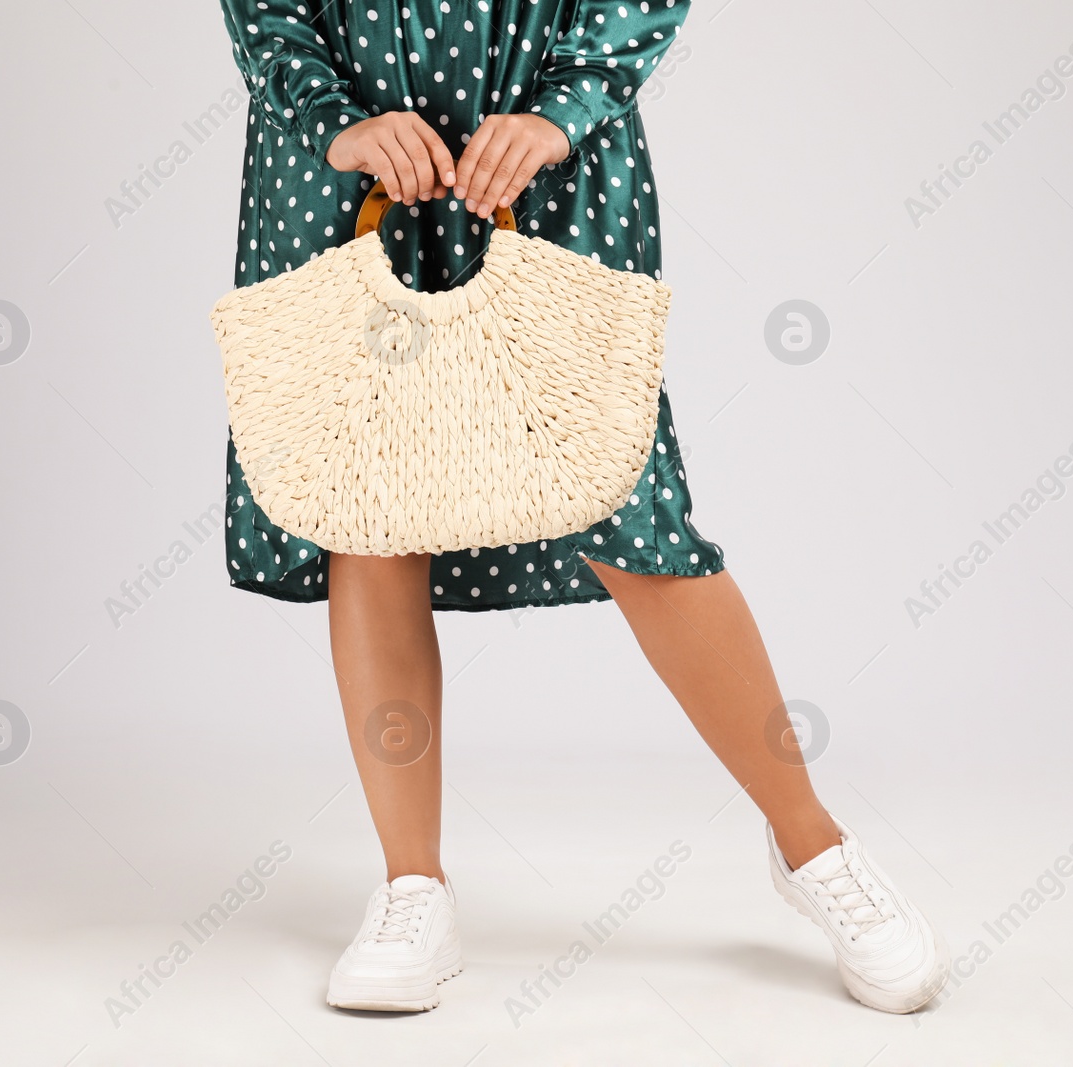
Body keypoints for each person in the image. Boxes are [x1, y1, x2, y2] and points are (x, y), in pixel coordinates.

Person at [217, 0, 949, 1014]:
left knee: (634, 518)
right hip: (348, 162)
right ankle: (411, 884)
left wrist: (569, 106)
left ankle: (812, 844)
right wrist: (330, 116)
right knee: (369, 505)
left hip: (545, 160)